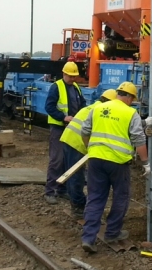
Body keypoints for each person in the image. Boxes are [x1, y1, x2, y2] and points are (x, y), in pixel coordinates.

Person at [80, 81, 149, 254]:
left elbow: (85, 130)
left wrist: (91, 148)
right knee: (121, 197)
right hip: (118, 163)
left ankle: (88, 238)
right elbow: (139, 140)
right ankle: (112, 233)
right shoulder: (130, 112)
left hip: (96, 159)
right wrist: (145, 162)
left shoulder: (98, 108)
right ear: (130, 97)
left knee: (95, 198)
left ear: (118, 93)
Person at [59, 88, 118, 218]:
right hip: (76, 143)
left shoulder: (93, 107)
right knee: (76, 176)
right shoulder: (102, 111)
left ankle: (76, 202)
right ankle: (78, 206)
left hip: (69, 139)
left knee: (72, 173)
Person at [44, 61, 86, 204]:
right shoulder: (56, 87)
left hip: (71, 128)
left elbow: (82, 105)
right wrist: (63, 117)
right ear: (64, 74)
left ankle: (62, 190)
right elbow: (49, 107)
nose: (73, 79)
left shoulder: (75, 88)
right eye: (70, 76)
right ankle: (49, 191)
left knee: (68, 160)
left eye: (74, 76)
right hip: (59, 127)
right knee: (57, 160)